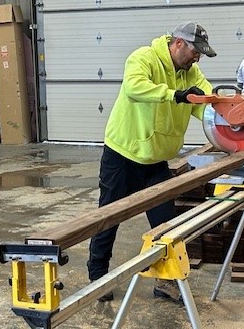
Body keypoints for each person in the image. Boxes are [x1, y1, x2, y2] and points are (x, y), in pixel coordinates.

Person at [87, 21, 216, 303]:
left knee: (166, 224)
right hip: (123, 155)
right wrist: (174, 95)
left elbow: (207, 104)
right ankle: (97, 278)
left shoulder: (191, 72)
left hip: (156, 160)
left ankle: (165, 282)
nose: (198, 58)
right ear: (178, 43)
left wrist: (234, 114)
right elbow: (135, 88)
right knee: (108, 217)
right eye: (196, 51)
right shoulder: (143, 58)